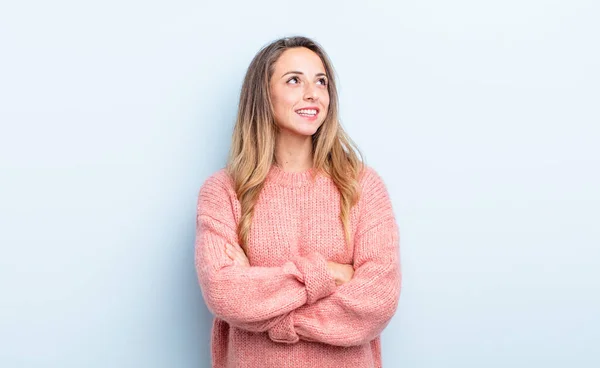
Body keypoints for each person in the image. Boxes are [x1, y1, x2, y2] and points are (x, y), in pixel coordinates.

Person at [195, 35, 401, 368]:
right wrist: (330, 274)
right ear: (264, 94)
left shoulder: (362, 186)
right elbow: (225, 294)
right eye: (294, 80)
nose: (313, 93)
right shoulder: (223, 192)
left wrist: (268, 309)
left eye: (321, 82)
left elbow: (377, 301)